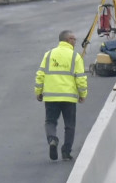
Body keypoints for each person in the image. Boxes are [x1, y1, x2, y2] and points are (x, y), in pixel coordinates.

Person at [35, 30, 88, 161]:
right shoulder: (75, 57)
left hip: (51, 97)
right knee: (70, 125)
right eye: (74, 39)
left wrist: (38, 92)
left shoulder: (49, 55)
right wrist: (82, 94)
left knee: (50, 121)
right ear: (68, 39)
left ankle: (52, 139)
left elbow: (40, 75)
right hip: (69, 97)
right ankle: (66, 152)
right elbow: (80, 78)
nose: (75, 42)